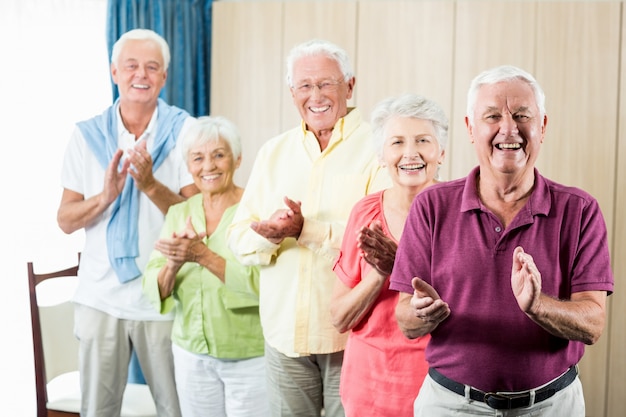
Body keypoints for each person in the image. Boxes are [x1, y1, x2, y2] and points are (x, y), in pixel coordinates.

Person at [390, 65, 614, 416]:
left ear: (542, 127)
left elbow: (593, 324)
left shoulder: (580, 210)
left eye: (522, 115)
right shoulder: (431, 206)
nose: (508, 129)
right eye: (492, 116)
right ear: (469, 128)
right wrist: (423, 314)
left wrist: (538, 305)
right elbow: (404, 318)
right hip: (450, 405)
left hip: (551, 406)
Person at [226, 39, 390, 417]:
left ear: (349, 86)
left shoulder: (379, 148)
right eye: (304, 86)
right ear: (291, 92)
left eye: (325, 84)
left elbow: (379, 244)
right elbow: (238, 238)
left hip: (351, 336)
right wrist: (268, 235)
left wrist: (306, 231)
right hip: (284, 338)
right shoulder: (273, 152)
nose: (315, 95)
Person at [57, 28, 197, 417]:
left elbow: (199, 217)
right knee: (98, 411)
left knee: (177, 410)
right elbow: (65, 220)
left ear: (164, 77)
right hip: (100, 300)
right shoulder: (85, 137)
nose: (142, 74)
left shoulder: (187, 131)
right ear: (114, 71)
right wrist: (105, 197)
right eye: (132, 65)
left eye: (152, 67)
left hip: (166, 298)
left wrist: (150, 185)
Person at [142, 116, 269, 417]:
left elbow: (264, 285)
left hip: (250, 357)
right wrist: (173, 264)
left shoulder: (257, 210)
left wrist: (202, 256)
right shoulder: (178, 212)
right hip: (190, 355)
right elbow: (153, 288)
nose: (208, 166)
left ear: (237, 160)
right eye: (197, 158)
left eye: (219, 155)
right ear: (188, 166)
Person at [330, 93, 447, 416]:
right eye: (397, 142)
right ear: (381, 155)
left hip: (436, 387)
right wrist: (380, 274)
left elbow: (465, 309)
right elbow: (339, 317)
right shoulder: (365, 212)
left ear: (441, 152)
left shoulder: (460, 214)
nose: (410, 153)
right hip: (366, 386)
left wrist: (399, 266)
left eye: (423, 140)